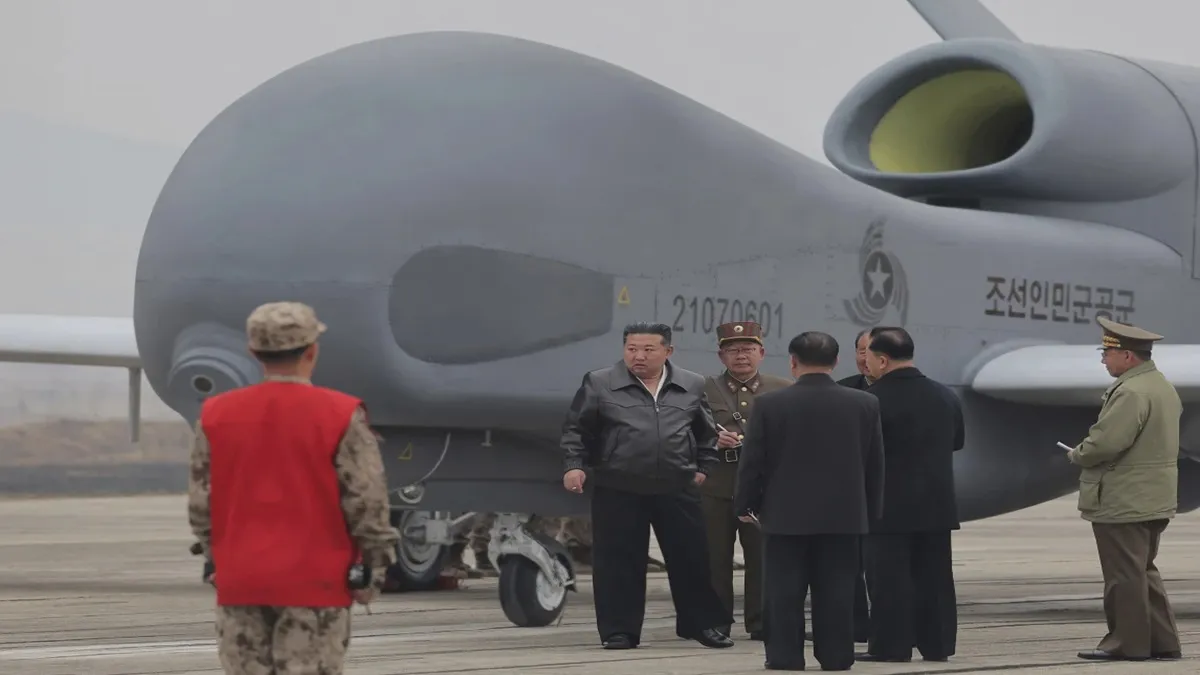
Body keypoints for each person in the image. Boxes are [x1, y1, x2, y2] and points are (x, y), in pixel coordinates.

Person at [187, 301, 401, 674]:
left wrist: (217, 559)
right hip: (316, 586)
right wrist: (374, 569)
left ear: (253, 352)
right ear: (312, 350)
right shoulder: (340, 415)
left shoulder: (215, 415)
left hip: (241, 583)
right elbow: (367, 501)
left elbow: (201, 505)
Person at [559, 321, 734, 650]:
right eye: (632, 349)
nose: (638, 356)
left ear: (668, 351)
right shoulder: (600, 382)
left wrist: (703, 467)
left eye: (648, 349)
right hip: (618, 484)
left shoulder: (691, 383)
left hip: (677, 484)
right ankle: (619, 630)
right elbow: (576, 429)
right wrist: (574, 466)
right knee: (618, 561)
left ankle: (701, 624)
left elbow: (706, 432)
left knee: (692, 558)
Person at [734, 331, 884, 672]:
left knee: (783, 592)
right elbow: (875, 464)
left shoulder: (770, 404)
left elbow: (753, 462)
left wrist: (744, 504)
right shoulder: (864, 403)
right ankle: (836, 656)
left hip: (785, 517)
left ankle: (784, 656)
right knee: (837, 591)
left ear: (793, 362)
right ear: (836, 361)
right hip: (844, 518)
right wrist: (871, 512)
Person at [1067, 317, 1183, 662]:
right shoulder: (1161, 386)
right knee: (1143, 570)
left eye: (1107, 352)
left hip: (1124, 499)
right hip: (1152, 497)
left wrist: (1078, 453)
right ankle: (1163, 642)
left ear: (1127, 356)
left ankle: (1126, 644)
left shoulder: (1131, 392)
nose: (1104, 359)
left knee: (1123, 576)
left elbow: (1107, 442)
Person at [857, 326, 963, 664]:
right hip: (936, 504)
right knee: (935, 579)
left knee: (888, 580)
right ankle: (938, 644)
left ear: (882, 360)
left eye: (869, 357)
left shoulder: (870, 400)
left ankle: (891, 646)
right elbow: (957, 441)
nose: (867, 364)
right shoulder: (945, 395)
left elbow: (860, 451)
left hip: (887, 506)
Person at [700, 321, 792, 641]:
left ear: (761, 353)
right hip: (716, 484)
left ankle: (762, 620)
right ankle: (716, 621)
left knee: (762, 557)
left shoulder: (783, 389)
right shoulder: (702, 389)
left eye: (748, 349)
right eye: (733, 350)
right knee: (714, 557)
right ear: (721, 356)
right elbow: (684, 431)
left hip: (762, 487)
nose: (741, 356)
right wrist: (712, 442)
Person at [836, 328, 876, 643]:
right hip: (849, 494)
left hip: (886, 494)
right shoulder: (842, 390)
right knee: (846, 564)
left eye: (871, 351)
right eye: (861, 351)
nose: (865, 358)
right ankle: (854, 625)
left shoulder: (906, 393)